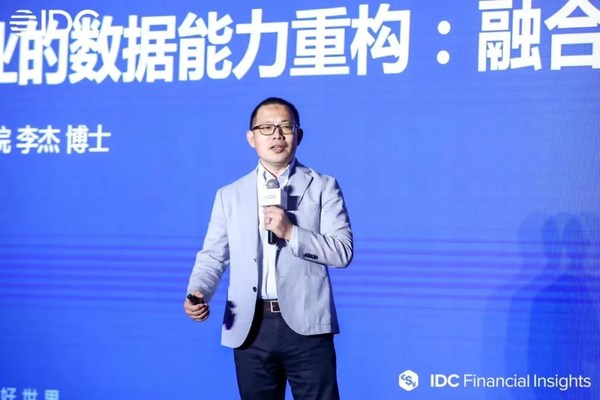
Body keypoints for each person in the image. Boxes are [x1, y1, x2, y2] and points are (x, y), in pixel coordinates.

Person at [184, 96, 353, 400]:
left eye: (285, 127)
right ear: (251, 138)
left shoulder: (323, 186)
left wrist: (291, 232)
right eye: (266, 128)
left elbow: (342, 252)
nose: (277, 135)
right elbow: (212, 257)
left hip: (307, 325)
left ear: (298, 135)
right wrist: (198, 291)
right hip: (250, 326)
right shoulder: (230, 195)